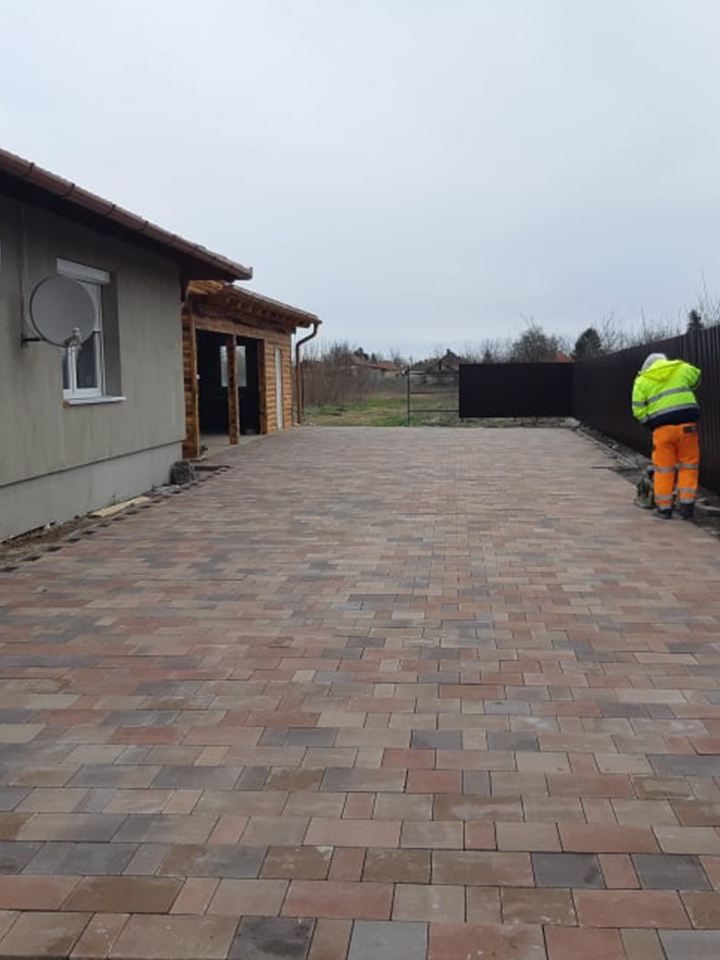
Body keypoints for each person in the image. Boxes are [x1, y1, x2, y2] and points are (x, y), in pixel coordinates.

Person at [632, 352, 701, 519]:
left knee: (663, 468)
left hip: (662, 429)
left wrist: (650, 424)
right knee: (688, 465)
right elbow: (697, 377)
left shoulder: (642, 380)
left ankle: (664, 509)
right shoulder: (680, 367)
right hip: (687, 426)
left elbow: (638, 410)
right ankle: (686, 507)